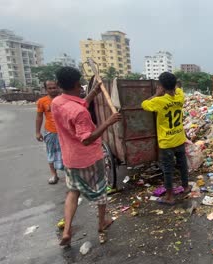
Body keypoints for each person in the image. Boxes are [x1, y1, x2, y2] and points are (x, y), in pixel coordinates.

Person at [52, 67, 122, 246]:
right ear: (77, 83)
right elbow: (86, 139)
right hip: (89, 158)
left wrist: (92, 94)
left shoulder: (57, 102)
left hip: (70, 158)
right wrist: (108, 122)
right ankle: (101, 224)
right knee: (100, 191)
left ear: (59, 84)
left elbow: (77, 105)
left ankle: (67, 230)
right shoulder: (80, 112)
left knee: (73, 192)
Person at [141, 72, 190, 205]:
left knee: (168, 169)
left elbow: (144, 104)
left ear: (161, 86)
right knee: (182, 164)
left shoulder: (159, 101)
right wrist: (172, 86)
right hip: (179, 137)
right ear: (174, 85)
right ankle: (185, 187)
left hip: (166, 142)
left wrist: (157, 93)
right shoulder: (180, 97)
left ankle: (170, 197)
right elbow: (179, 89)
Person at [35, 80, 63, 184]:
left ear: (58, 87)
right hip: (50, 132)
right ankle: (54, 175)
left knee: (67, 153)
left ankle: (70, 175)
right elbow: (39, 117)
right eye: (50, 88)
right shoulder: (42, 101)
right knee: (51, 153)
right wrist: (37, 132)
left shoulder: (63, 99)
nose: (52, 90)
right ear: (46, 89)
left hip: (64, 132)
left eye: (54, 87)